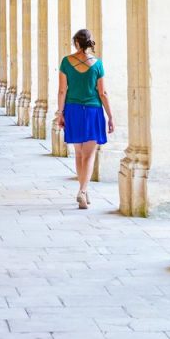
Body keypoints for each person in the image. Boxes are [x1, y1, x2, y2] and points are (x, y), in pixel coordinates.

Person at [57, 28, 114, 209]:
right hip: (92, 111)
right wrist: (110, 116)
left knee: (79, 153)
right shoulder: (97, 64)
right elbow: (102, 93)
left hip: (73, 110)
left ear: (76, 43)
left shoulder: (66, 62)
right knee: (89, 155)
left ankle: (84, 188)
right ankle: (82, 191)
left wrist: (60, 113)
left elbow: (62, 90)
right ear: (90, 43)